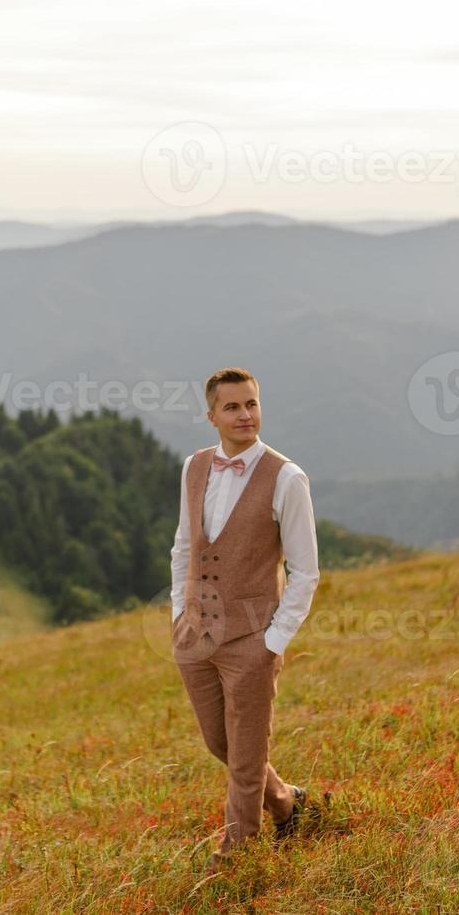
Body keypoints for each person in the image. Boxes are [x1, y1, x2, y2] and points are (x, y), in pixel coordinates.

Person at [169, 366, 323, 874]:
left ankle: (235, 861)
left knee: (245, 756)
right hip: (194, 636)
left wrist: (272, 641)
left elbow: (305, 573)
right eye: (233, 406)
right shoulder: (193, 467)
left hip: (252, 640)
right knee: (222, 743)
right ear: (211, 415)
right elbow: (185, 546)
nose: (245, 415)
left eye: (252, 404)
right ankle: (288, 803)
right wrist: (178, 613)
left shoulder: (287, 478)